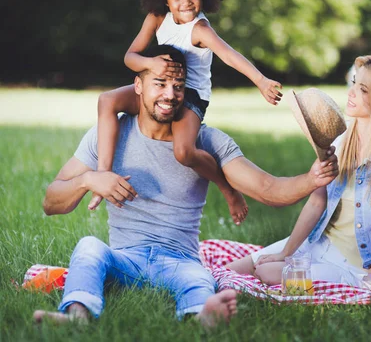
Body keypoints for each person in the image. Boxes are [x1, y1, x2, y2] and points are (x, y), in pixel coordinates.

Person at [33, 45, 339, 325]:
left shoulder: (206, 141)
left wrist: (311, 179)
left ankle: (202, 315)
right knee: (88, 247)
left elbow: (266, 188)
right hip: (125, 258)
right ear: (137, 86)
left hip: (180, 261)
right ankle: (77, 314)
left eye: (178, 86)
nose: (170, 94)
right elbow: (51, 201)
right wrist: (89, 179)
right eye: (160, 83)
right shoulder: (107, 135)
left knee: (199, 278)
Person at [89, 0, 283, 226]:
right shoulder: (157, 18)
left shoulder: (201, 30)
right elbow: (130, 57)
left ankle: (229, 190)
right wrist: (151, 64)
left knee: (184, 152)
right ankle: (103, 173)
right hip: (159, 83)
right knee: (107, 101)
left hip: (189, 96)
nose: (186, 2)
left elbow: (229, 55)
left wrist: (261, 81)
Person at [227, 54, 371, 294]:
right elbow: (316, 203)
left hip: (353, 268)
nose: (352, 92)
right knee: (235, 268)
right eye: (355, 83)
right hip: (317, 243)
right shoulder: (340, 138)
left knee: (265, 273)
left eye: (363, 90)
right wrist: (286, 252)